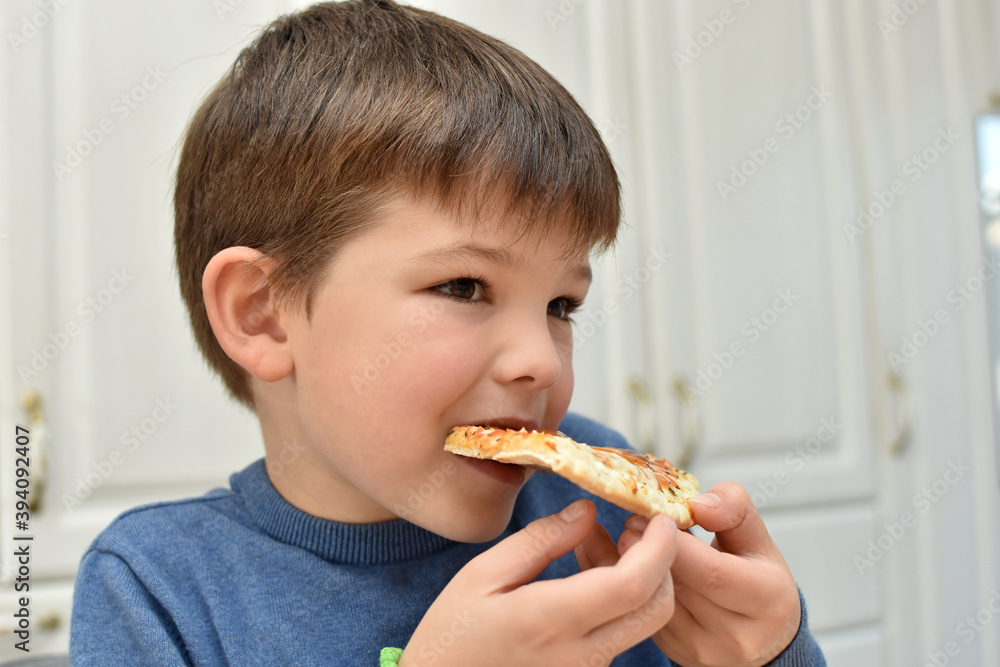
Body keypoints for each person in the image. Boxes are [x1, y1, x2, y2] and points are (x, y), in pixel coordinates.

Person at [69, 1, 826, 665]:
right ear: (261, 312)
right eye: (464, 286)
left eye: (562, 305)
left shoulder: (592, 513)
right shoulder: (157, 587)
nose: (539, 361)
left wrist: (766, 654)